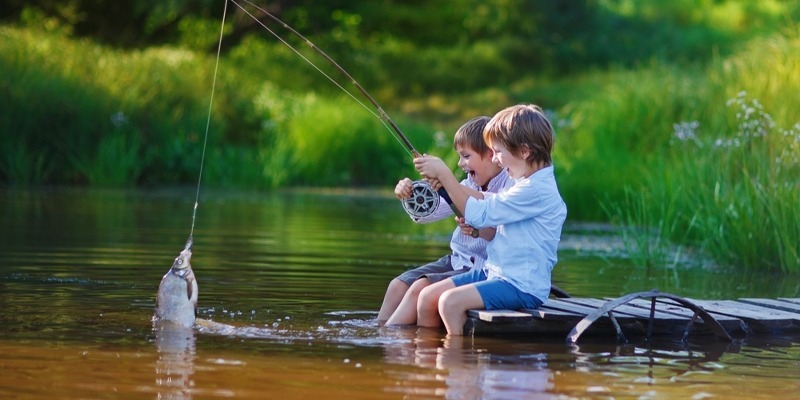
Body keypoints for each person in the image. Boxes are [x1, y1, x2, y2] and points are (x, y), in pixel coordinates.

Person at [412, 104, 567, 336]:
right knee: (427, 296)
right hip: (494, 272)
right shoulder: (523, 182)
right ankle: (428, 358)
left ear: (524, 151)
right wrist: (449, 188)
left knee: (449, 303)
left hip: (520, 285)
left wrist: (445, 175)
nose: (495, 159)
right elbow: (486, 210)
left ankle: (457, 363)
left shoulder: (536, 189)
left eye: (498, 152)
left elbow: (481, 213)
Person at [377, 116, 512, 326]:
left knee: (418, 289)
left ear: (490, 154)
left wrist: (447, 180)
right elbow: (428, 214)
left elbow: (491, 205)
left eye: (466, 156)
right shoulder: (469, 183)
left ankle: (389, 341)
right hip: (457, 260)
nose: (460, 163)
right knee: (397, 285)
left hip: (483, 269)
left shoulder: (510, 186)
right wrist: (411, 193)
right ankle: (379, 332)